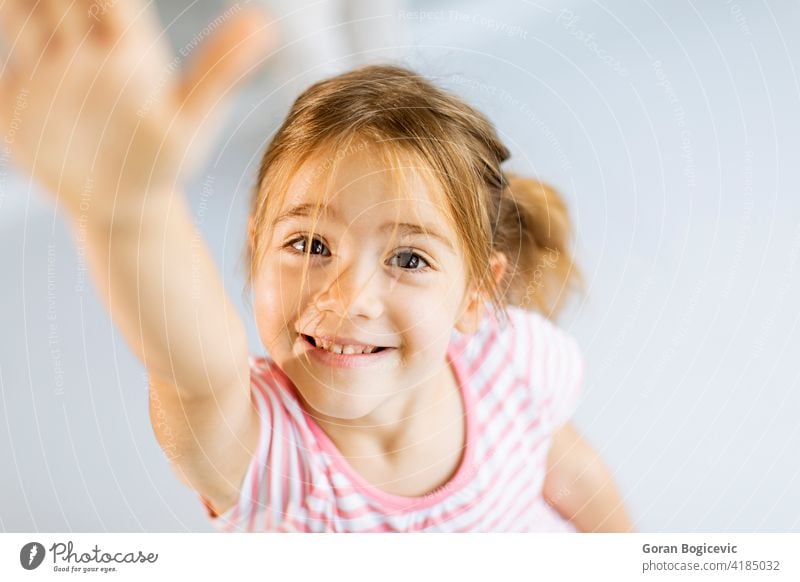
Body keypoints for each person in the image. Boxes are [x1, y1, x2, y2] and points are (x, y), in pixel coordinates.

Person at [0, 0, 633, 532]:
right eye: (308, 244)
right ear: (256, 250)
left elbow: (572, 470)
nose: (348, 296)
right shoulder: (270, 459)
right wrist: (129, 215)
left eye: (408, 258)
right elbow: (197, 374)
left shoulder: (515, 366)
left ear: (474, 295)